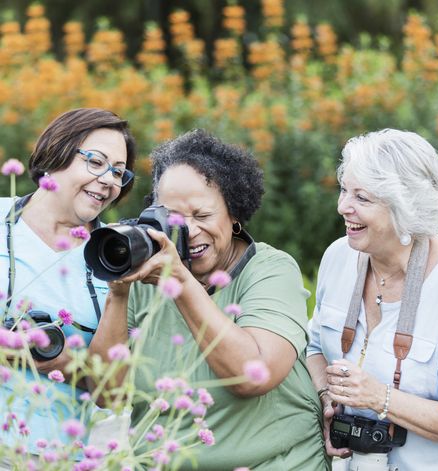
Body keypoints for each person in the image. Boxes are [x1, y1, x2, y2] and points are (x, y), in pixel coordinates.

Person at [102, 129, 329, 470]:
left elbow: (254, 375)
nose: (188, 230)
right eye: (174, 218)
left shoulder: (270, 270)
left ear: (234, 214)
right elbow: (107, 392)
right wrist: (118, 292)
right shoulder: (145, 276)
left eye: (203, 216)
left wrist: (180, 280)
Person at [307, 129, 438, 470]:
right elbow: (315, 348)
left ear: (405, 208)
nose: (342, 207)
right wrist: (327, 399)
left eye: (362, 198)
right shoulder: (338, 257)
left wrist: (380, 398)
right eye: (344, 190)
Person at [0, 108, 136, 458]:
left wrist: (66, 363)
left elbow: (114, 390)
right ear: (56, 151)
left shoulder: (115, 254)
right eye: (96, 162)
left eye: (119, 172)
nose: (108, 180)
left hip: (63, 458)